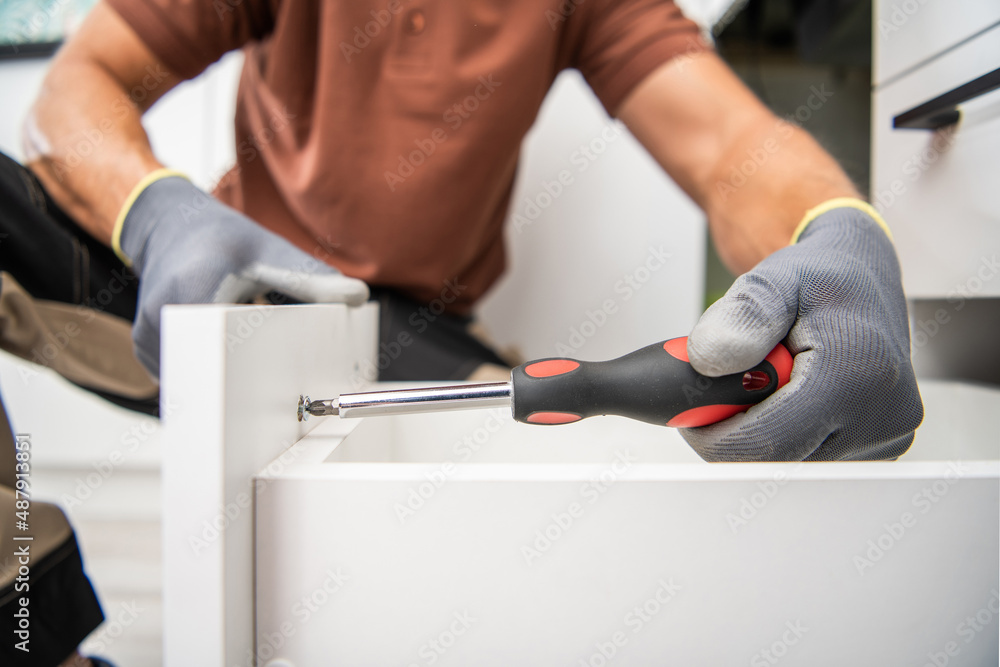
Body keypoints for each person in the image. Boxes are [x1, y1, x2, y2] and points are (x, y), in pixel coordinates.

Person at [0, 0, 923, 663]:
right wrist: (157, 210)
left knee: (507, 541)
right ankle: (33, 634)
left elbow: (732, 152)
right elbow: (80, 83)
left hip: (410, 336)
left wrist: (842, 229)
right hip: (208, 287)